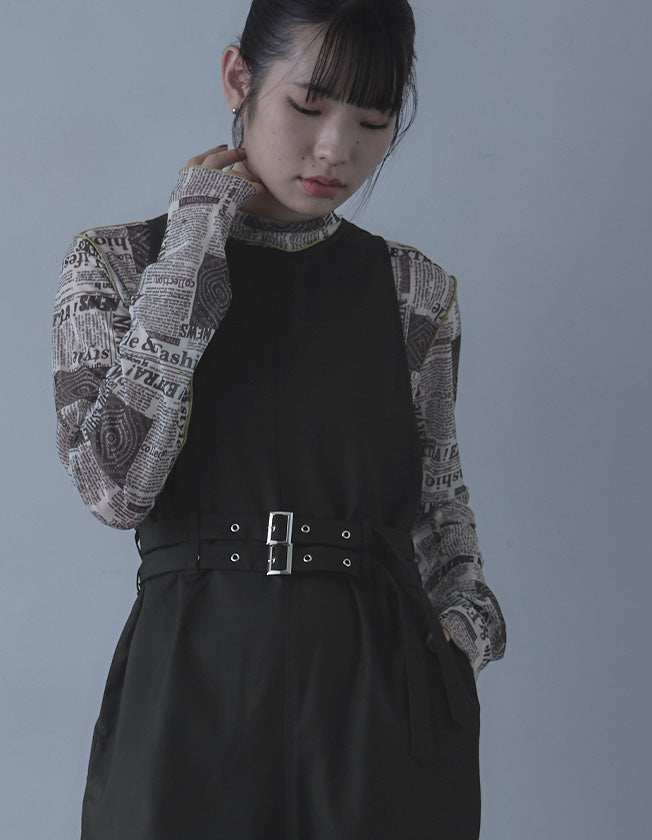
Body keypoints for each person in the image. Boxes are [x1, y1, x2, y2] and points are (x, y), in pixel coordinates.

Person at [51, 1, 506, 837]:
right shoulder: (116, 265)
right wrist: (194, 242)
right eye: (309, 105)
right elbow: (115, 490)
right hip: (188, 698)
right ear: (239, 78)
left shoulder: (415, 291)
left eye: (373, 121)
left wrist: (463, 635)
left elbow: (438, 494)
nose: (336, 149)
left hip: (380, 709)